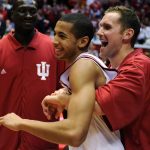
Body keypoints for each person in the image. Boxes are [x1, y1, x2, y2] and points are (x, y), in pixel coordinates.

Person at [0, 13, 124, 150]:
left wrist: (21, 123)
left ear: (82, 42)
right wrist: (65, 101)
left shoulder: (83, 66)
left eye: (62, 36)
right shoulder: (80, 66)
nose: (54, 41)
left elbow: (75, 134)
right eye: (55, 34)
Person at [0, 0, 65, 150]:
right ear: (12, 14)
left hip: (43, 141)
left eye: (32, 11)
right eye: (23, 10)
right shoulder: (1, 48)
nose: (28, 15)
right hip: (5, 140)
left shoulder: (53, 48)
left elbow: (65, 92)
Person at [95, 6, 150, 150]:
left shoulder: (138, 66)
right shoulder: (109, 66)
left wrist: (65, 97)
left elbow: (97, 105)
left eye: (106, 27)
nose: (99, 32)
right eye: (100, 26)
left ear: (127, 34)